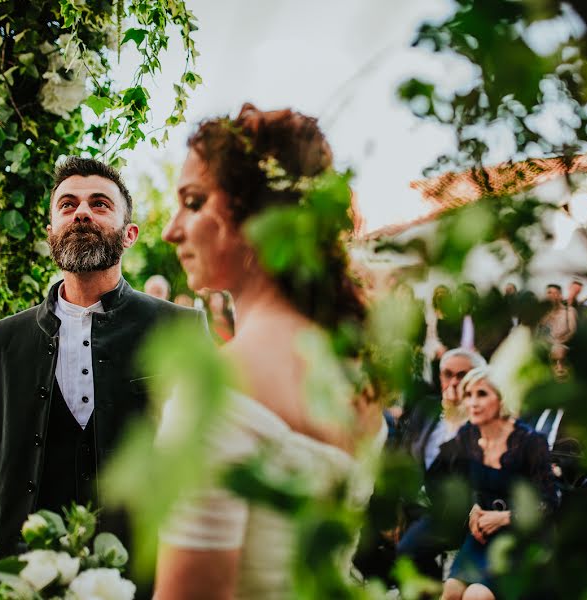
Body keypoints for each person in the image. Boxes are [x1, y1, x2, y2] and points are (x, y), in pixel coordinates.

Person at [155, 103, 387, 599]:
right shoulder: (357, 373)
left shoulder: (217, 389)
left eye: (193, 202)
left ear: (257, 215)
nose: (169, 230)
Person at [0, 157, 206, 600]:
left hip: (151, 583)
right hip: (26, 584)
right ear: (50, 231)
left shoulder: (181, 330)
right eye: (67, 205)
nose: (81, 212)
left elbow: (207, 471)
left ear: (130, 234)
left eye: (99, 204)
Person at [440, 367, 558, 600]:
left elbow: (550, 504)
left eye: (482, 394)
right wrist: (472, 509)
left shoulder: (531, 441)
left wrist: (504, 518)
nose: (473, 402)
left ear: (502, 398)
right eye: (469, 394)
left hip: (521, 540)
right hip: (482, 536)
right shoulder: (468, 435)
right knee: (451, 592)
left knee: (476, 595)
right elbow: (460, 484)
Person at [395, 348, 487, 579]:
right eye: (448, 374)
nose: (454, 381)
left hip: (453, 512)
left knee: (407, 552)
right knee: (369, 546)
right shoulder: (427, 407)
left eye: (462, 375)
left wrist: (459, 419)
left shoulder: (484, 417)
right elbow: (405, 455)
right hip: (414, 504)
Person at [538, 283, 577, 355]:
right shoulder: (542, 313)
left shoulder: (569, 311)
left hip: (563, 351)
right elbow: (540, 331)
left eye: (555, 293)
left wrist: (557, 344)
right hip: (544, 350)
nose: (551, 295)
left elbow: (572, 332)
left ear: (560, 296)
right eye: (549, 293)